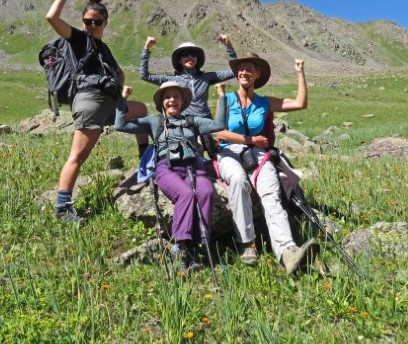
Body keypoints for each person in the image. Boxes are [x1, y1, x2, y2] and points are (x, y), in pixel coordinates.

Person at [45, 0, 148, 223]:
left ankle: (144, 161)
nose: (92, 26)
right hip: (89, 101)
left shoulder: (103, 48)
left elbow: (120, 71)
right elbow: (51, 18)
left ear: (105, 23)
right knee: (78, 156)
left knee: (141, 110)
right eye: (87, 21)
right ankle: (62, 208)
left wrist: (120, 90)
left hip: (109, 102)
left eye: (97, 22)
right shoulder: (79, 39)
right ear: (83, 23)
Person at [215, 52, 320, 275]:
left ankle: (287, 251)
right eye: (241, 69)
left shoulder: (265, 103)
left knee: (271, 194)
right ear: (237, 73)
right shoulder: (226, 99)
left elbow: (300, 103)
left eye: (250, 69)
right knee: (238, 181)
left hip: (258, 155)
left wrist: (300, 73)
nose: (245, 72)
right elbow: (218, 132)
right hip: (229, 152)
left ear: (257, 75)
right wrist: (250, 139)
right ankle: (247, 244)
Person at [115, 81, 227, 272]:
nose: (172, 100)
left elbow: (219, 124)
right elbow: (120, 125)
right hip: (166, 168)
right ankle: (180, 247)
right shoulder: (153, 121)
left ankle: (198, 241)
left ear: (182, 100)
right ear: (162, 102)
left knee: (206, 191)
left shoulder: (193, 120)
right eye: (167, 97)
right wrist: (122, 99)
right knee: (186, 195)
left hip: (193, 166)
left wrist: (222, 96)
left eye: (176, 96)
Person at [140, 37, 237, 155]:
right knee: (189, 154)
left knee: (213, 152)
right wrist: (146, 48)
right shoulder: (173, 80)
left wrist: (229, 47)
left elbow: (234, 71)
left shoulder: (206, 77)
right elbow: (145, 76)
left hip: (205, 119)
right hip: (184, 122)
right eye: (185, 54)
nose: (190, 57)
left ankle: (216, 170)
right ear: (179, 60)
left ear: (197, 58)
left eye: (194, 54)